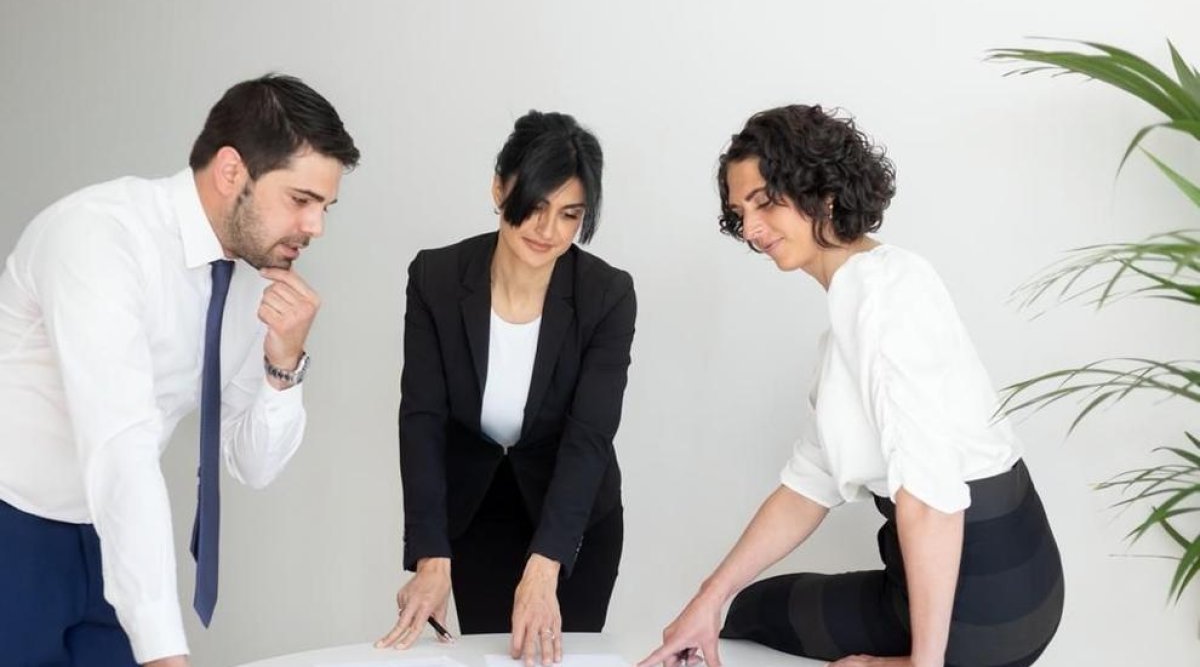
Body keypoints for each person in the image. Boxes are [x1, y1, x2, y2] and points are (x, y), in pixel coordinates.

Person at [639, 105, 1063, 667]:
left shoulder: (880, 303)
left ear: (823, 191)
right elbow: (809, 484)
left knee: (763, 614)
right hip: (1023, 585)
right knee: (747, 608)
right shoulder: (877, 285)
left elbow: (931, 499)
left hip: (982, 605)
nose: (752, 229)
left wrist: (920, 665)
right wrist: (709, 600)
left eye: (766, 201)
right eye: (740, 212)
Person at [0, 74, 359, 666]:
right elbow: (120, 445)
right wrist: (167, 653)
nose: (316, 227)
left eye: (326, 206)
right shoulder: (99, 237)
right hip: (15, 526)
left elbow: (252, 463)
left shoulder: (249, 280)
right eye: (301, 200)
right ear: (230, 171)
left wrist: (283, 363)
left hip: (108, 535)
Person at [376, 110, 635, 667]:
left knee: (562, 659)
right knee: (494, 658)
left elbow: (590, 436)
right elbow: (421, 418)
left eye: (570, 215)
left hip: (573, 517)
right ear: (499, 188)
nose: (548, 231)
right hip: (479, 510)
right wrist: (431, 553)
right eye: (535, 207)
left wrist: (545, 566)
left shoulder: (606, 295)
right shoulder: (437, 279)